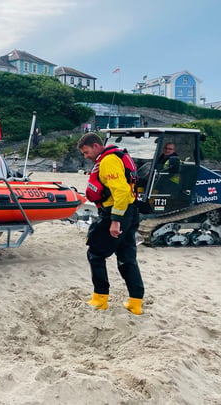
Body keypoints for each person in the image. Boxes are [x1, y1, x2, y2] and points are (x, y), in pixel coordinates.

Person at [77, 132, 145, 315]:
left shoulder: (108, 161)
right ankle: (135, 302)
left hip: (116, 213)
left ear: (96, 146)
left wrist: (115, 221)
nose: (86, 156)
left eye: (86, 152)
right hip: (130, 212)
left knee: (95, 254)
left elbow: (121, 191)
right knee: (126, 257)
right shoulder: (116, 157)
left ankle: (100, 299)